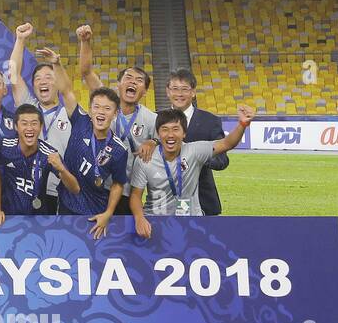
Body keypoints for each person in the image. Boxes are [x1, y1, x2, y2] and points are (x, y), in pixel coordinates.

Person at [130, 106, 253, 236]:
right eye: (164, 130)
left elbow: (227, 143)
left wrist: (242, 124)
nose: (170, 135)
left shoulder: (194, 151)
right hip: (155, 222)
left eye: (175, 129)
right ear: (158, 133)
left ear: (184, 133)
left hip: (191, 221)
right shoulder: (146, 158)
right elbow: (135, 195)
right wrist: (139, 218)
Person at [77, 24, 156, 216]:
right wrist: (85, 41)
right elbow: (86, 72)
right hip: (97, 186)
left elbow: (167, 144)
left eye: (139, 80)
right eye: (128, 77)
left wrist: (154, 141)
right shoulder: (106, 103)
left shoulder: (152, 118)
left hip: (129, 191)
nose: (132, 82)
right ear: (118, 85)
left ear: (145, 91)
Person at [142, 67, 230, 216]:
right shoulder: (154, 119)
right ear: (168, 91)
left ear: (193, 92)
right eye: (175, 89)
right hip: (161, 204)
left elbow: (222, 160)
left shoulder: (210, 121)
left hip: (202, 203)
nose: (179, 94)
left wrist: (198, 157)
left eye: (184, 89)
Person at [9, 24, 73, 211]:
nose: (43, 81)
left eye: (49, 77)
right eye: (38, 78)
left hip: (59, 192)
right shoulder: (28, 108)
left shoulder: (70, 114)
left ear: (58, 83)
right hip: (24, 189)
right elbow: (13, 75)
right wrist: (20, 40)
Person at [57, 85, 132, 239]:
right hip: (67, 203)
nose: (101, 112)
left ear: (115, 113)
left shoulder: (119, 149)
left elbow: (118, 184)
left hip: (95, 211)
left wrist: (108, 213)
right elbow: (66, 90)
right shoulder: (81, 122)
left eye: (107, 108)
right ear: (90, 110)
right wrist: (56, 63)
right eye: (96, 107)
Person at [0, 103, 76, 217]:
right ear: (16, 127)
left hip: (37, 219)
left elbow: (75, 189)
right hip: (8, 217)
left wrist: (62, 170)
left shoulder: (49, 154)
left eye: (34, 123)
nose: (29, 128)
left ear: (41, 126)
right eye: (24, 124)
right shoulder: (4, 145)